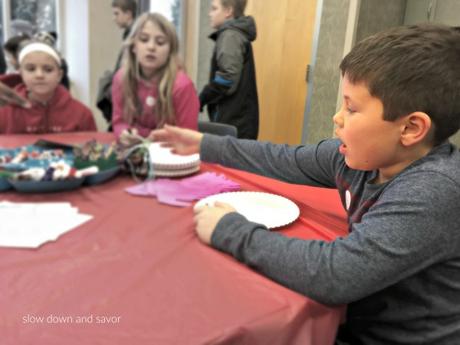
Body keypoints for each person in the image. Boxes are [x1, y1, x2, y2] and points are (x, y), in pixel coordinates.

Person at [151, 24, 460, 344]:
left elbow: (335, 273)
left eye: (352, 108)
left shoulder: (433, 190)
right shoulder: (355, 160)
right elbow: (281, 159)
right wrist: (204, 144)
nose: (337, 118)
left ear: (411, 129)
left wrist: (229, 229)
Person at [111, 12, 199, 138]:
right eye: (144, 39)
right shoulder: (121, 78)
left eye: (160, 42)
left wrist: (157, 139)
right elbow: (119, 122)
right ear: (133, 47)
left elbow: (188, 138)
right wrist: (124, 133)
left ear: (170, 50)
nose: (151, 47)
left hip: (170, 155)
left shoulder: (182, 86)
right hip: (132, 153)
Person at [0, 41, 96, 134]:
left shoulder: (82, 114)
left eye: (48, 70)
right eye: (31, 69)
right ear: (21, 73)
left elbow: (94, 147)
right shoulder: (5, 112)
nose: (39, 75)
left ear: (59, 75)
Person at [199, 0, 259, 139]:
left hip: (234, 122)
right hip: (240, 120)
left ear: (228, 11)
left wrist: (203, 97)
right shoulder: (235, 33)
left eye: (214, 9)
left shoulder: (230, 36)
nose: (209, 14)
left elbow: (227, 79)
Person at [96, 0, 138, 130]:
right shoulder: (129, 34)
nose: (114, 18)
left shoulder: (134, 36)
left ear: (128, 14)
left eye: (116, 14)